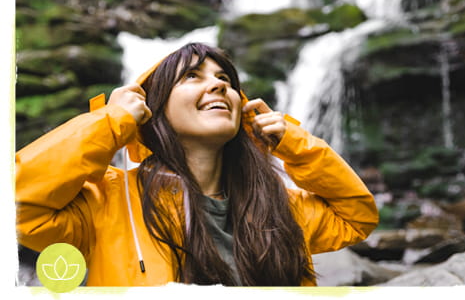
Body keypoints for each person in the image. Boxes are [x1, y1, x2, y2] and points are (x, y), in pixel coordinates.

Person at [16, 42, 379, 286]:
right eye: (192, 76)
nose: (219, 86)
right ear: (152, 109)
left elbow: (357, 216)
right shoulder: (106, 201)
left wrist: (293, 143)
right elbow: (19, 205)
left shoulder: (280, 203)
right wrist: (111, 122)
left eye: (225, 79)